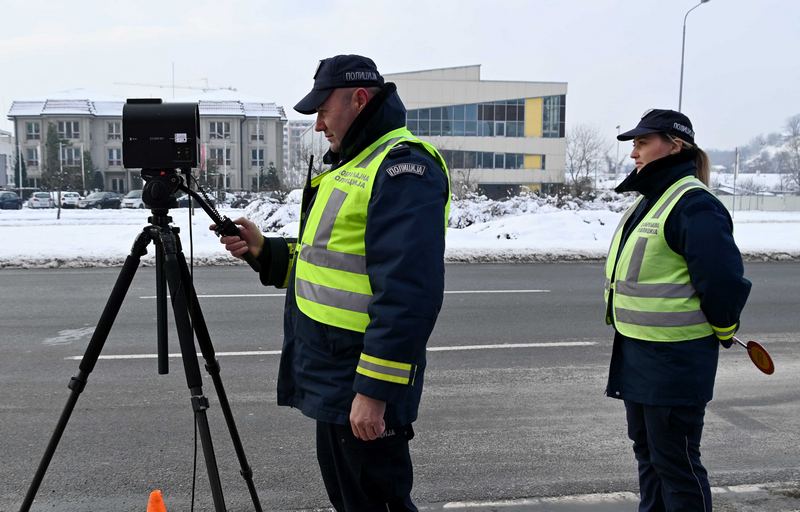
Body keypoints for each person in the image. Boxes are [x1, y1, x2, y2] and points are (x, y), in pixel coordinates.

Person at [215, 55, 450, 511]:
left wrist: (374, 392)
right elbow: (327, 264)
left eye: (324, 110)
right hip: (338, 376)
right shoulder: (352, 164)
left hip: (359, 382)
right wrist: (266, 251)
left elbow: (408, 295)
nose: (319, 124)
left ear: (359, 99)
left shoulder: (403, 169)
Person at [604, 109, 751, 511]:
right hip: (639, 353)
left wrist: (724, 328)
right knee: (649, 458)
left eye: (642, 142)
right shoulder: (651, 200)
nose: (634, 153)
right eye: (634, 143)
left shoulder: (693, 204)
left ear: (675, 145)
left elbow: (723, 282)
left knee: (676, 465)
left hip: (675, 359)